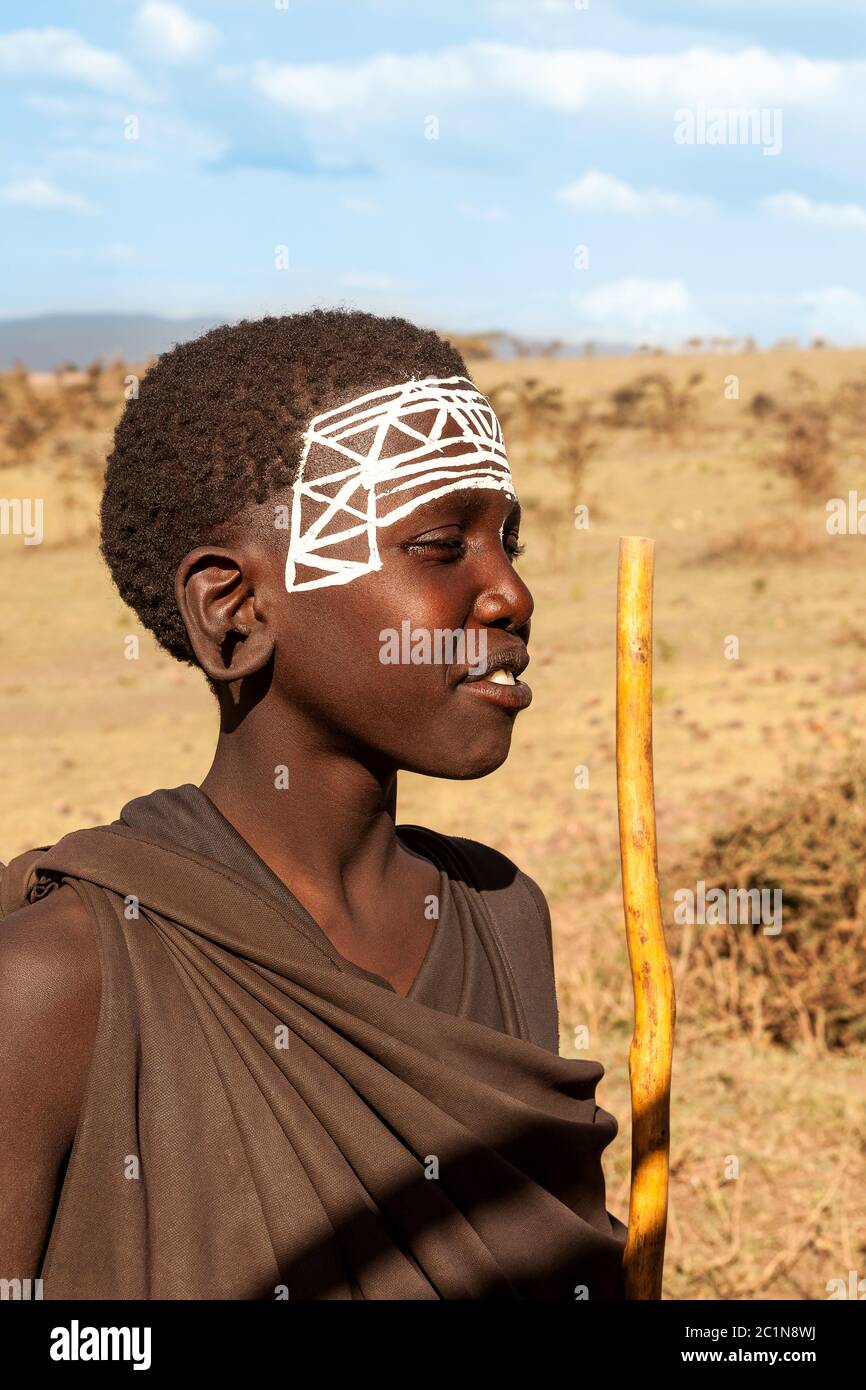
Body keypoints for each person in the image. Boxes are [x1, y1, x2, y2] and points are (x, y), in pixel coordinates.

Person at [0, 308, 626, 1299]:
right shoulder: (59, 977)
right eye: (438, 544)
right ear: (235, 610)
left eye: (508, 538)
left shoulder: (502, 915)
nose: (509, 592)